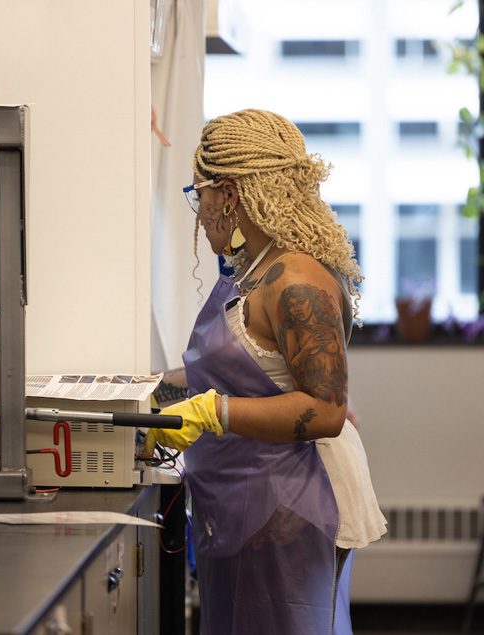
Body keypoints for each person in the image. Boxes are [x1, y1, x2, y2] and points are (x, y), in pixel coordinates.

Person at [146, 109, 386, 634]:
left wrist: (215, 412)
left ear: (228, 194)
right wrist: (145, 395)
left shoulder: (297, 282)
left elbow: (324, 410)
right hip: (239, 503)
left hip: (292, 509)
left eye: (199, 194)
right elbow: (237, 370)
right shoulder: (250, 270)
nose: (200, 209)